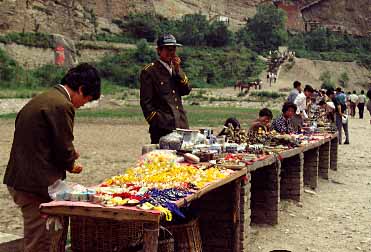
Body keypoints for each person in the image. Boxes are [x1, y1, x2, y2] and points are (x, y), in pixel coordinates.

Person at [3, 63, 101, 251]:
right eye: (86, 100)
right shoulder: (62, 105)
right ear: (80, 90)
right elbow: (63, 148)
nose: (82, 105)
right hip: (33, 184)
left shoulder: (45, 98)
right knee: (41, 242)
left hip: (23, 179)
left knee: (42, 236)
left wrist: (68, 155)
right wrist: (72, 163)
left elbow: (47, 142)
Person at [140, 34, 192, 144]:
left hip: (181, 124)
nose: (171, 52)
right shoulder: (150, 71)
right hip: (162, 127)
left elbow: (186, 90)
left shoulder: (175, 69)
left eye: (173, 49)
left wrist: (178, 71)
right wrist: (156, 121)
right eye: (167, 49)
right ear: (159, 51)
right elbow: (146, 102)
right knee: (163, 159)